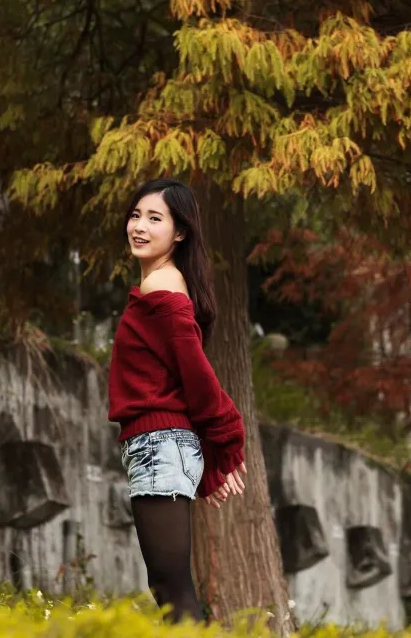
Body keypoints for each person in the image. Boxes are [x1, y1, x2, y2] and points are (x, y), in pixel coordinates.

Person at [107, 178, 247, 623]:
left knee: (172, 592)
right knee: (170, 587)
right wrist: (204, 450)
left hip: (158, 446)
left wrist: (225, 438)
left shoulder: (164, 287)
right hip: (162, 445)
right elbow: (175, 380)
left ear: (180, 231)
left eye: (155, 218)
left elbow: (196, 373)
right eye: (135, 215)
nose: (140, 227)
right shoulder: (165, 284)